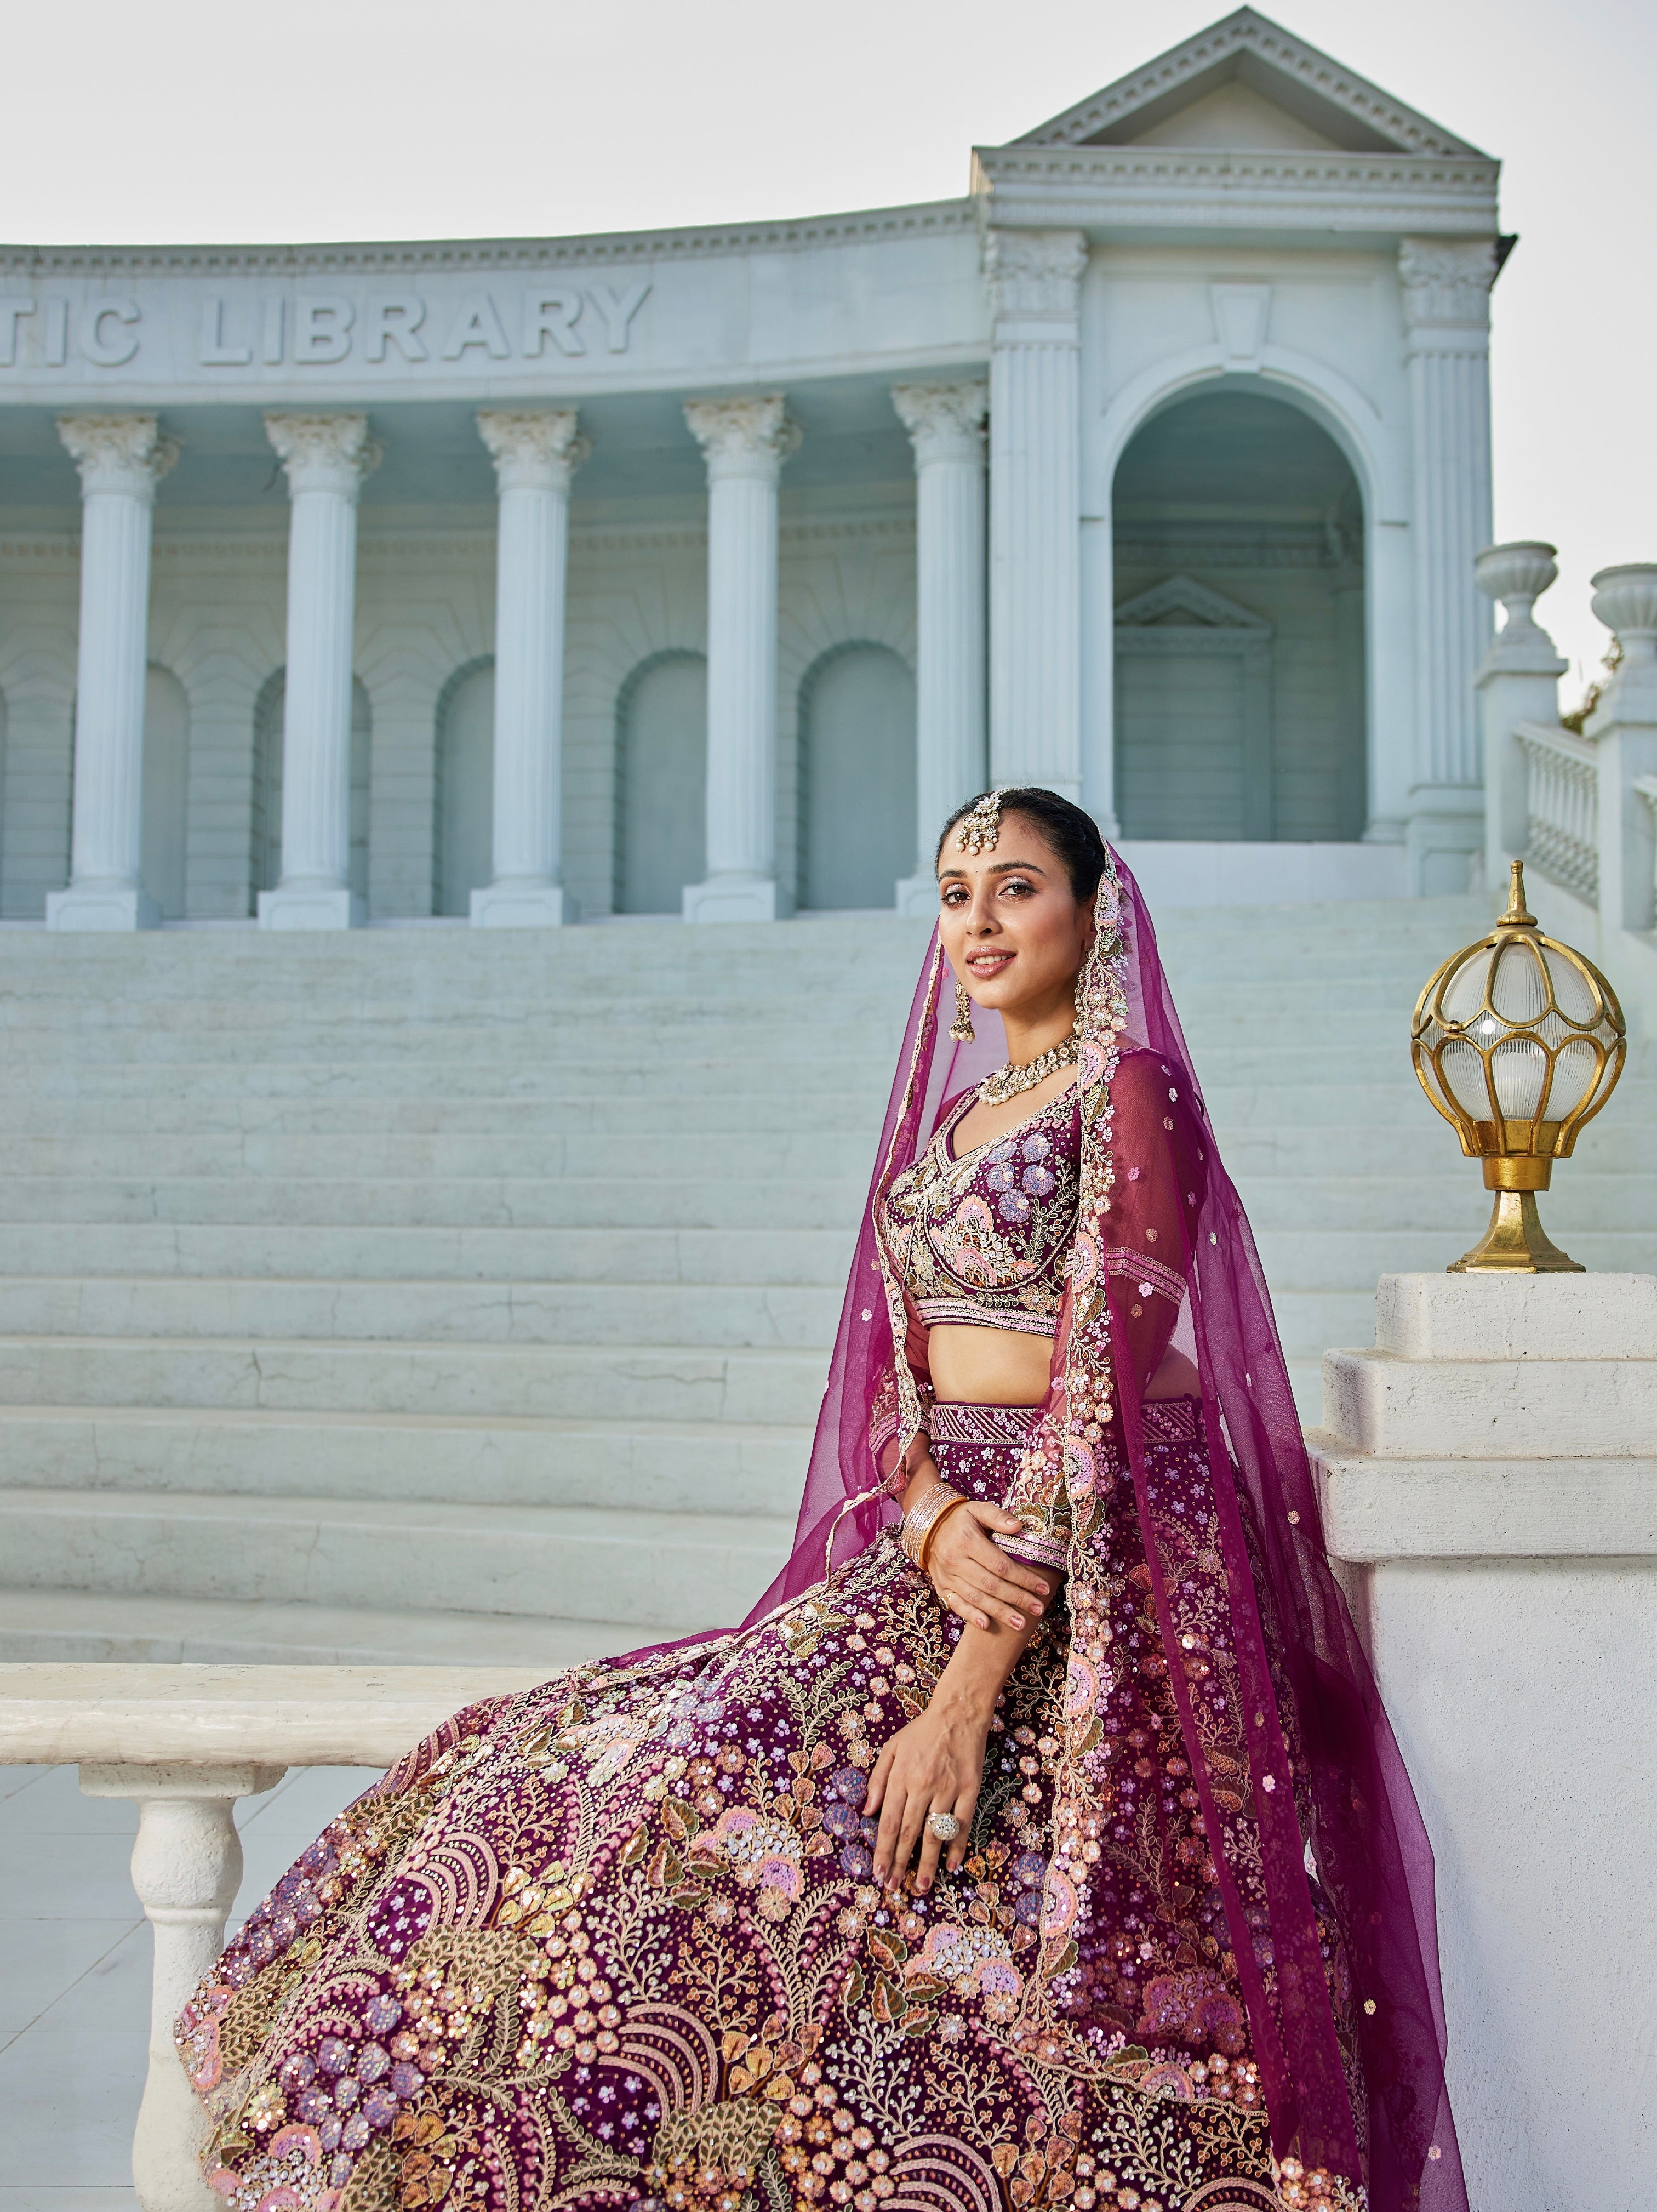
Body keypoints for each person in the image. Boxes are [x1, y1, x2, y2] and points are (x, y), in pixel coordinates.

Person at [176, 790, 1465, 2212]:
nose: (979, 918)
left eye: (1017, 885)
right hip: (947, 1545)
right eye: (957, 888)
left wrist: (973, 1689)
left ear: (1093, 912)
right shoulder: (963, 1113)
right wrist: (926, 1521)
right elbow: (891, 1386)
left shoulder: (1132, 1090)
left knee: (851, 1849)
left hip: (1100, 1558)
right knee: (575, 1752)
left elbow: (1101, 1378)